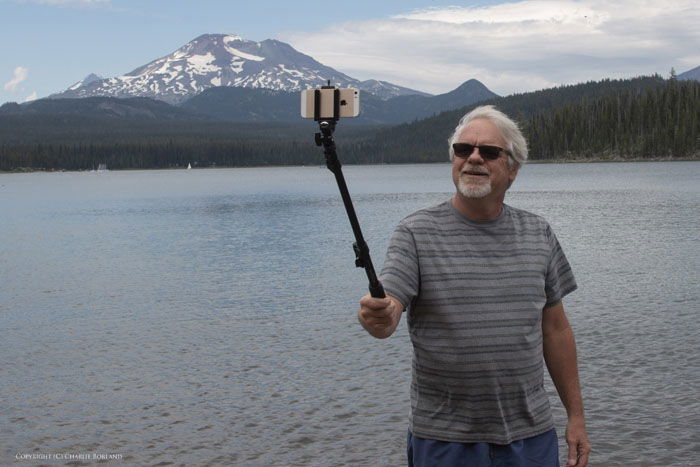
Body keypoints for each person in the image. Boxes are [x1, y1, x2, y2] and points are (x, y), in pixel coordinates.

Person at [358, 105, 590, 467]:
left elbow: (556, 330)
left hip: (531, 437)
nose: (473, 158)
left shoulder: (538, 232)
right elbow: (390, 307)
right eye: (463, 149)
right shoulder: (415, 232)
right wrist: (380, 315)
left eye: (489, 152)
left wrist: (575, 417)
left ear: (512, 170)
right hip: (444, 439)